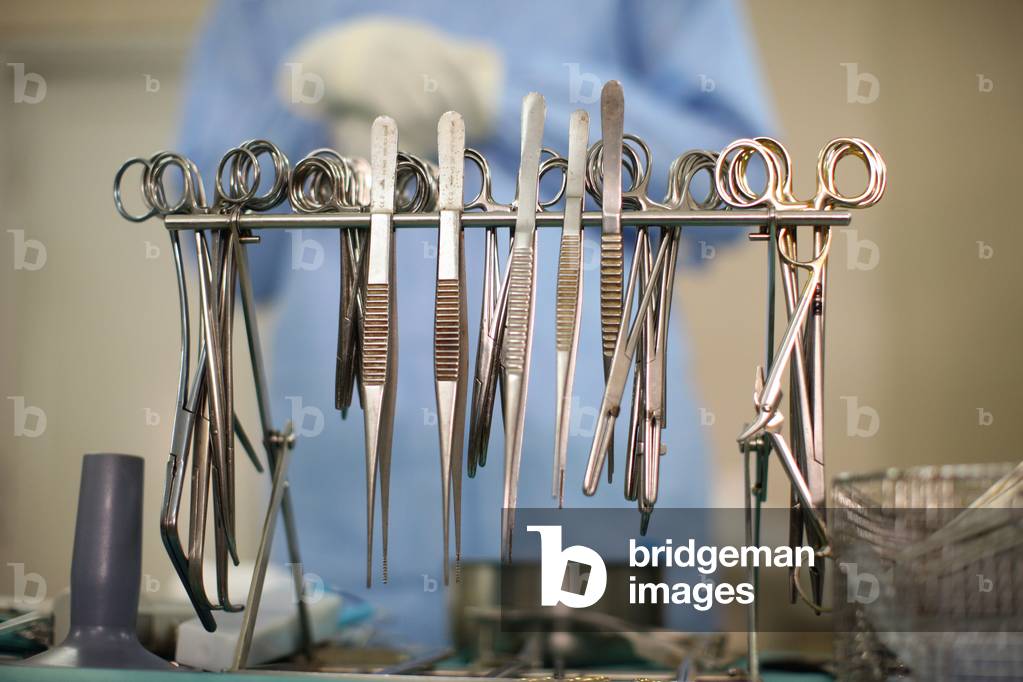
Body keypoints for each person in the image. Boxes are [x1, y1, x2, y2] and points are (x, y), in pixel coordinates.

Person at [180, 0, 774, 646]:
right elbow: (222, 249)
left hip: (593, 492)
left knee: (621, 653)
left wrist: (498, 86)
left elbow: (732, 186)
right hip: (343, 508)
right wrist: (303, 111)